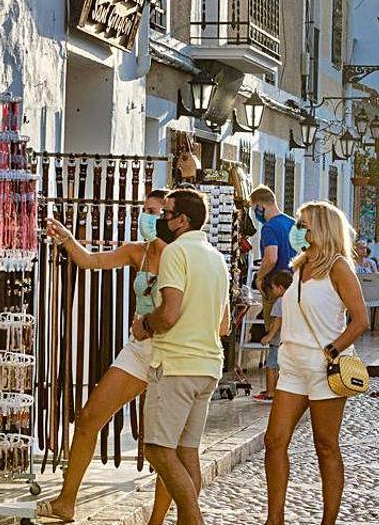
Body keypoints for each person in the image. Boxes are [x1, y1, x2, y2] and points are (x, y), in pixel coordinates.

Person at [37, 189, 174, 523]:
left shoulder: (183, 256)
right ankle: (66, 501)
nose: (148, 217)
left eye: (155, 211)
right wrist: (67, 237)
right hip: (138, 349)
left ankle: (156, 520)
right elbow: (92, 261)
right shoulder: (136, 252)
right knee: (88, 419)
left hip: (173, 353)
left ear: (171, 217)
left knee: (162, 443)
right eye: (144, 210)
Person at [264, 201, 369, 525]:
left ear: (321, 229)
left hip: (324, 367)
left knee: (325, 445)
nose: (299, 230)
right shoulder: (298, 265)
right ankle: (275, 518)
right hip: (292, 365)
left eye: (304, 224)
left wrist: (333, 350)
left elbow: (360, 320)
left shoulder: (338, 267)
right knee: (274, 440)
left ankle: (328, 521)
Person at [131, 188, 232, 525]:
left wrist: (145, 324)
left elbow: (170, 313)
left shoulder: (176, 253)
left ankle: (193, 518)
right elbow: (225, 324)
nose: (160, 219)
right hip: (208, 365)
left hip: (176, 365)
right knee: (187, 450)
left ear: (182, 221)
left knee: (158, 449)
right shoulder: (217, 258)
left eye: (166, 213)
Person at [251, 186, 297, 324]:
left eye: (254, 209)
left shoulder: (269, 227)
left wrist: (259, 277)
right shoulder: (293, 223)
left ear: (260, 206)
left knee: (273, 334)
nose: (255, 213)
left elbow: (271, 258)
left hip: (275, 287)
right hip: (293, 286)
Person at [254, 270, 294, 403]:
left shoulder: (281, 301)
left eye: (273, 288)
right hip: (290, 341)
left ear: (280, 288)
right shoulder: (295, 299)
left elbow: (278, 319)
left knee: (271, 365)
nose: (272, 291)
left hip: (278, 341)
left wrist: (269, 336)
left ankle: (270, 392)